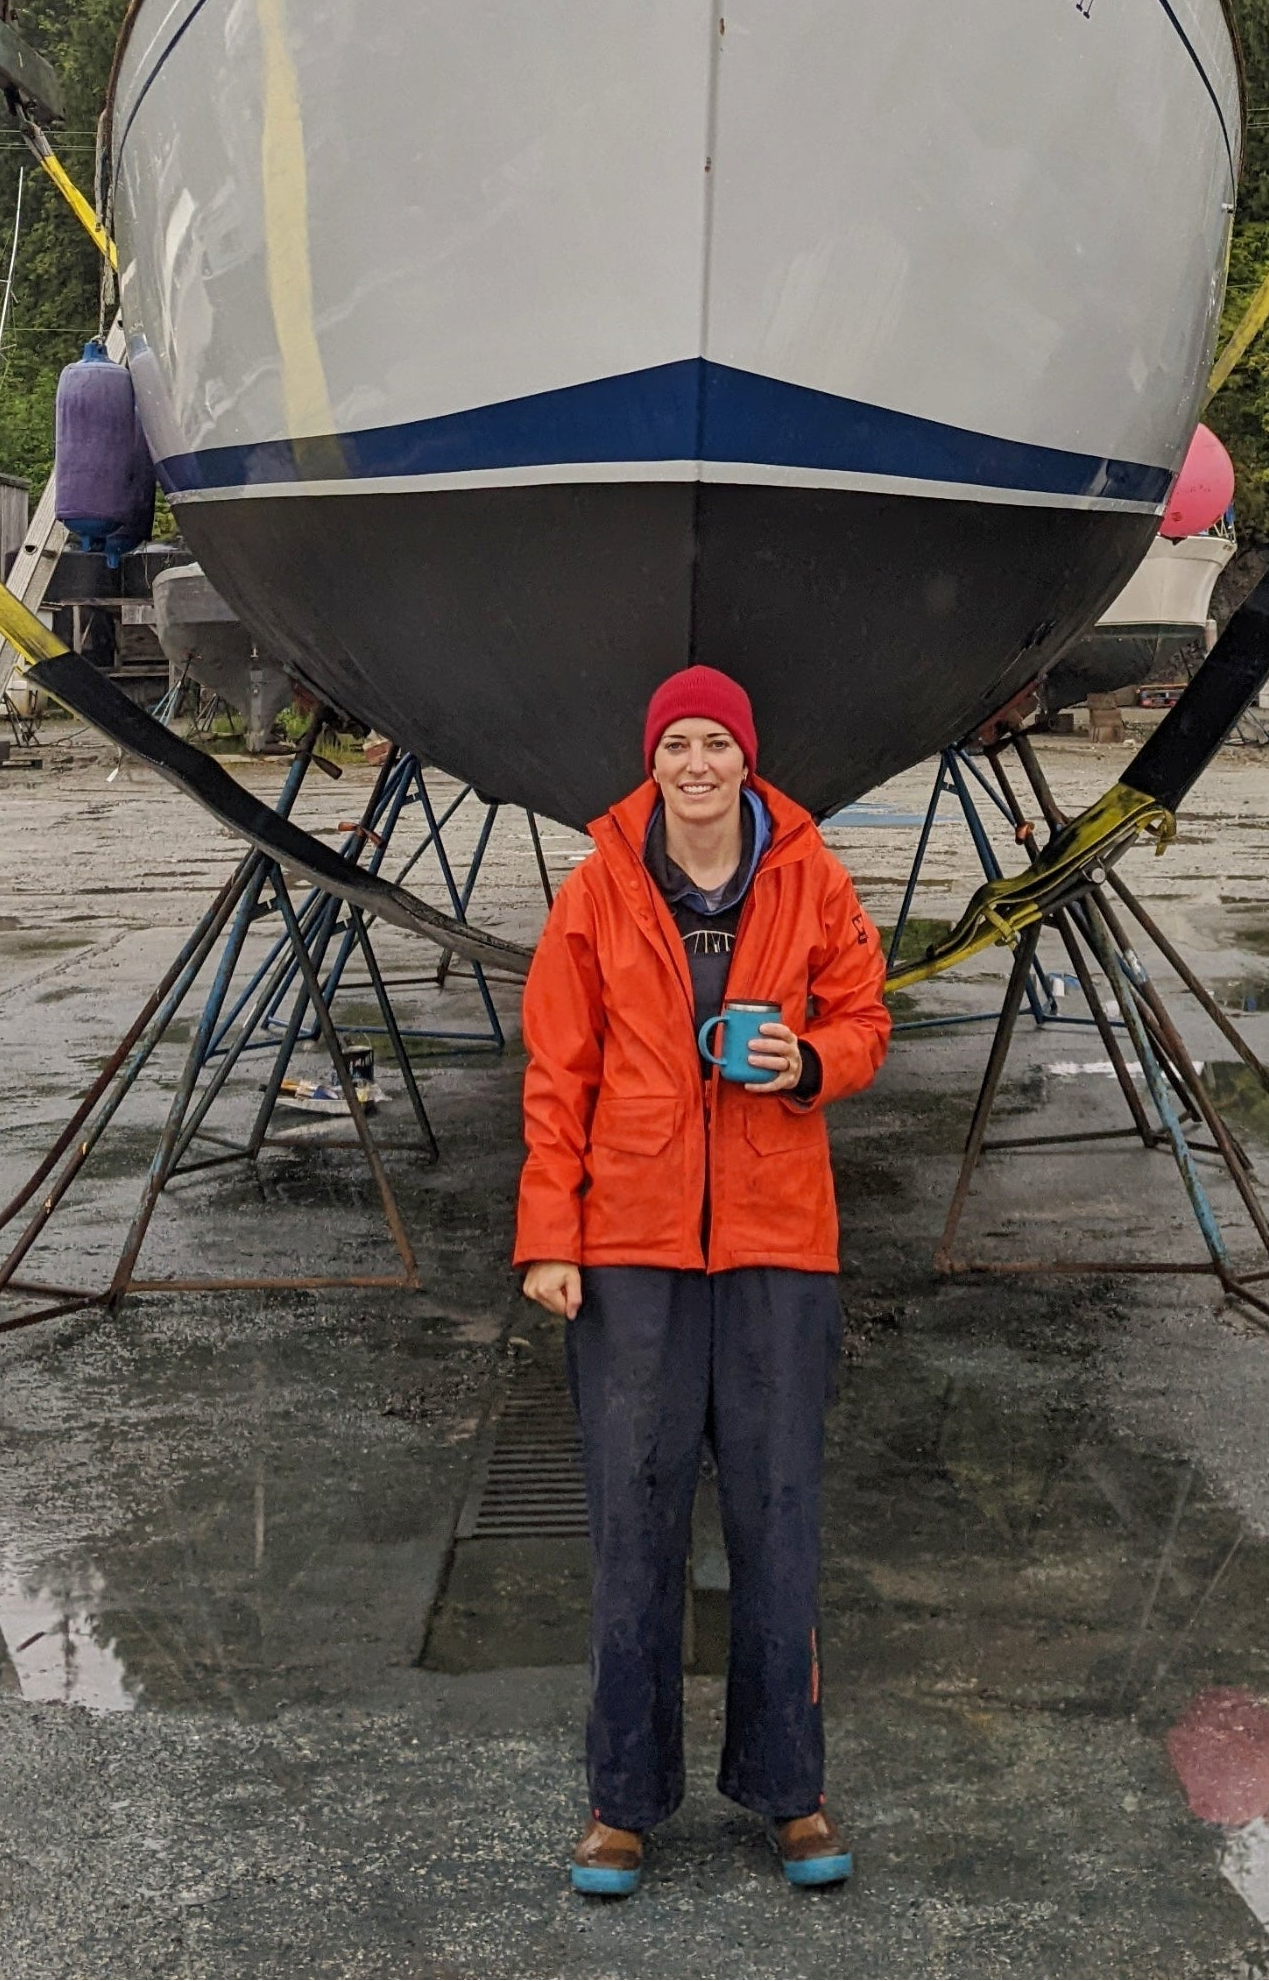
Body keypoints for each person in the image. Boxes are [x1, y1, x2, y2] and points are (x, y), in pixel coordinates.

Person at [514, 665, 890, 1898]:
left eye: (713, 743)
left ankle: (791, 1793)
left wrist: (808, 1062)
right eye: (675, 743)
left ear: (744, 757)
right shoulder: (598, 888)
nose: (694, 763)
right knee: (635, 1521)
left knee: (778, 1518)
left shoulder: (810, 875)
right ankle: (620, 1804)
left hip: (780, 1240)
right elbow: (557, 1071)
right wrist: (549, 1237)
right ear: (653, 759)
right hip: (632, 1247)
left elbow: (868, 1017)